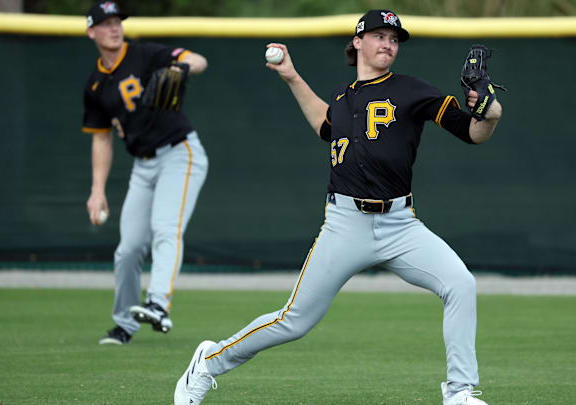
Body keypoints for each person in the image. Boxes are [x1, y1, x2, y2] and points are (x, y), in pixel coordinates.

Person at [174, 9, 502, 405]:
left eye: (395, 39)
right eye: (380, 35)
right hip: (345, 224)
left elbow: (472, 132)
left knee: (460, 284)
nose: (388, 44)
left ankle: (461, 392)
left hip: (401, 224)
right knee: (293, 321)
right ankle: (209, 361)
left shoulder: (412, 90)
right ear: (358, 42)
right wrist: (291, 76)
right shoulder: (343, 100)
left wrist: (490, 112)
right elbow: (324, 124)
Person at [82, 1, 209, 345]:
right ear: (91, 31)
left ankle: (157, 303)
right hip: (143, 164)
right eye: (105, 23)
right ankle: (124, 324)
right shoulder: (96, 85)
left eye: (117, 21)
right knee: (128, 249)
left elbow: (199, 60)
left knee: (166, 228)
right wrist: (97, 190)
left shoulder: (146, 54)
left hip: (180, 153)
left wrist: (181, 68)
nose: (114, 28)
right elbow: (101, 140)